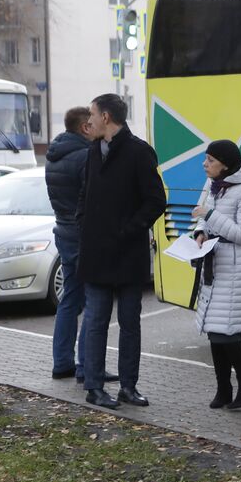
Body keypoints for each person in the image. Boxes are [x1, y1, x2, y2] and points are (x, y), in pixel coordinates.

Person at [77, 93, 167, 410]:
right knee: (96, 322)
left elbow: (156, 200)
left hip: (128, 254)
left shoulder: (139, 153)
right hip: (97, 254)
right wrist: (82, 223)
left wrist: (128, 230)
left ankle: (128, 387)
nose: (88, 121)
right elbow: (85, 193)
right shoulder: (92, 151)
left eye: (92, 114)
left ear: (106, 118)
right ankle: (94, 388)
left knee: (130, 324)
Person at [45, 106, 116, 387]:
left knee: (70, 299)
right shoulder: (86, 157)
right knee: (95, 301)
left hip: (64, 232)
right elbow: (96, 199)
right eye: (93, 122)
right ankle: (87, 366)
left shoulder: (54, 156)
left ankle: (62, 363)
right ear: (85, 128)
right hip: (85, 235)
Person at [191, 139, 241, 411]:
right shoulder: (213, 186)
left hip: (234, 268)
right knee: (214, 331)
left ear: (225, 164)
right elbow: (202, 215)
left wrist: (209, 215)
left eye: (210, 160)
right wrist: (200, 231)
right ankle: (224, 389)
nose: (205, 164)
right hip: (214, 264)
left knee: (227, 333)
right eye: (206, 158)